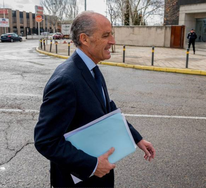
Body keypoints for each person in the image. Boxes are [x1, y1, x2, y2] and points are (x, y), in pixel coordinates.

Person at [34, 11, 155, 188]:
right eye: (106, 35)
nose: (113, 41)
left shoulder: (91, 68)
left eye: (111, 34)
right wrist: (93, 165)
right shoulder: (66, 80)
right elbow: (45, 141)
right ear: (84, 39)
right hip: (78, 180)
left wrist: (136, 138)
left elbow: (107, 109)